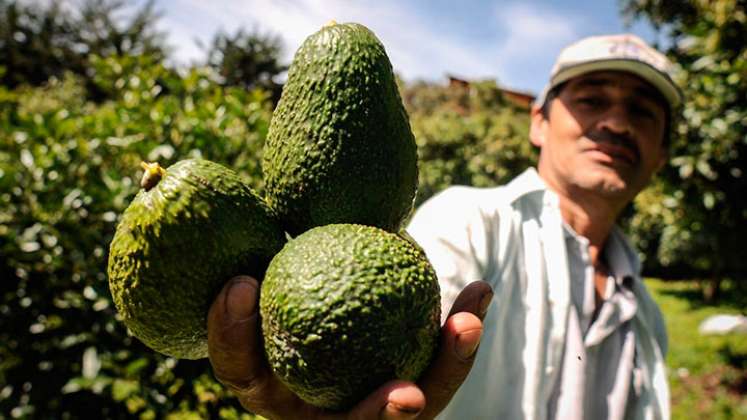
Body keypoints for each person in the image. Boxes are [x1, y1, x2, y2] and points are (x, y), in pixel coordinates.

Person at [206, 33, 681, 419]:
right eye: (593, 100)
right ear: (538, 122)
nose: (617, 122)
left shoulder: (646, 310)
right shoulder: (471, 220)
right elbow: (395, 328)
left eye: (641, 111)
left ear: (662, 152)